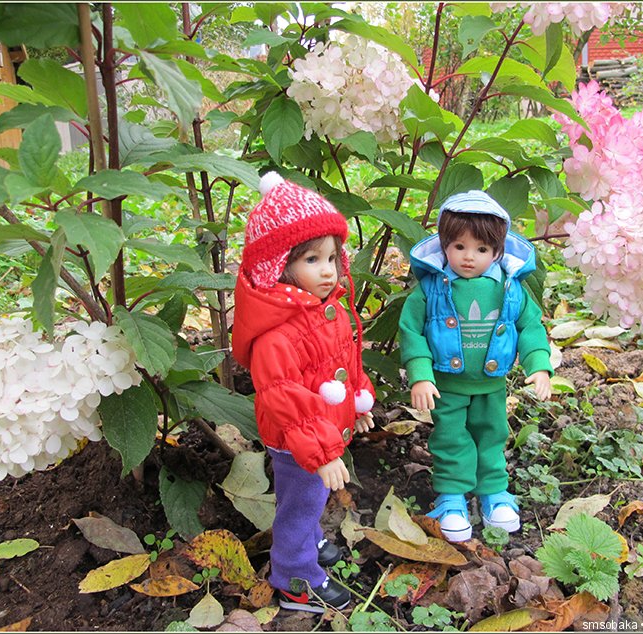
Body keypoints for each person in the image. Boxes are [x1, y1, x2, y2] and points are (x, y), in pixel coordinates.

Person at [232, 173, 376, 613]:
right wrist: (322, 451)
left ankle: (310, 538)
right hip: (296, 439)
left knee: (307, 498)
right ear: (279, 264)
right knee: (301, 500)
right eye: (312, 259)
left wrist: (357, 401)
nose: (329, 269)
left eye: (332, 256)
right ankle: (294, 575)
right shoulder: (275, 335)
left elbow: (342, 360)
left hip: (317, 432)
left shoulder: (322, 307)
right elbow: (284, 397)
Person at [398, 190, 552, 542]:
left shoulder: (511, 289)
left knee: (492, 436)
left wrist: (538, 365)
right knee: (451, 439)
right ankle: (452, 499)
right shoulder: (431, 288)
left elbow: (530, 326)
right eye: (459, 247)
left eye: (482, 250)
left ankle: (494, 493)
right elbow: (412, 331)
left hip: (491, 386)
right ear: (443, 245)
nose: (469, 258)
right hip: (448, 387)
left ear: (498, 251)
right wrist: (421, 375)